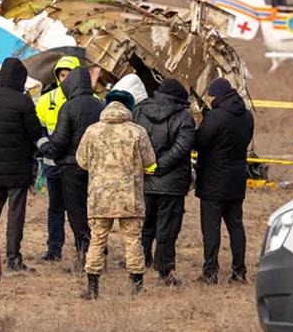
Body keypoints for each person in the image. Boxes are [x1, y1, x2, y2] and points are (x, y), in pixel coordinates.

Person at [76, 95, 156, 298]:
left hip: (100, 196)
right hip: (130, 196)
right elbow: (149, 160)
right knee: (133, 240)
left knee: (97, 239)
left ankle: (92, 287)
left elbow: (82, 161)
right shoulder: (137, 131)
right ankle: (136, 287)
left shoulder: (92, 131)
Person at [0, 57, 49, 272]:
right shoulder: (23, 101)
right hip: (18, 169)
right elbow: (34, 132)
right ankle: (13, 258)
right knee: (16, 215)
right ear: (20, 78)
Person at [132, 77, 195, 284]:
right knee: (167, 228)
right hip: (172, 183)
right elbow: (182, 147)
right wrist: (159, 166)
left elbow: (132, 140)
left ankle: (139, 264)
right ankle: (164, 271)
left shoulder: (139, 111)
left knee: (144, 225)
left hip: (144, 179)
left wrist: (147, 165)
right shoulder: (184, 117)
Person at [194, 77, 253, 284]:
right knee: (236, 226)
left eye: (210, 96)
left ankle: (210, 272)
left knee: (211, 229)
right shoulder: (247, 116)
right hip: (236, 181)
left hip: (213, 182)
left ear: (216, 95)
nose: (209, 100)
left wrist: (199, 124)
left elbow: (199, 142)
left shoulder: (215, 117)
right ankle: (239, 271)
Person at [49, 66, 104, 267]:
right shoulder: (100, 105)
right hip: (97, 168)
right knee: (96, 212)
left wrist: (51, 152)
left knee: (76, 212)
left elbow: (60, 140)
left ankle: (84, 254)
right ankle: (100, 251)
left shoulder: (68, 107)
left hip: (72, 167)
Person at [35, 55, 81, 262]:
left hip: (77, 165)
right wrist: (46, 149)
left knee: (79, 209)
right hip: (53, 163)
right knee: (55, 208)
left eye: (69, 75)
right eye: (62, 75)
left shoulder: (89, 100)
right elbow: (39, 129)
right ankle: (54, 249)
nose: (65, 79)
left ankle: (84, 248)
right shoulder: (45, 100)